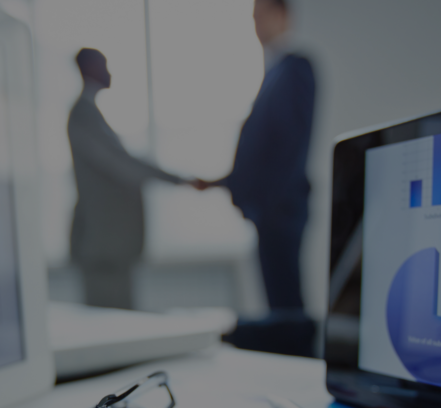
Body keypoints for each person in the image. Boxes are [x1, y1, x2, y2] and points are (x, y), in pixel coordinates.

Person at [194, 0, 317, 355]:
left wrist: (266, 204)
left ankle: (301, 377)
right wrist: (222, 182)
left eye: (259, 16)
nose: (255, 25)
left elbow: (288, 149)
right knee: (278, 307)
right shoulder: (273, 74)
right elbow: (259, 155)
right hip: (271, 212)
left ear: (282, 16)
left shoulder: (296, 68)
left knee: (286, 312)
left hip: (281, 212)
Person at [68, 48, 189, 309]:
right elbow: (120, 164)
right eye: (104, 65)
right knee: (107, 322)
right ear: (89, 68)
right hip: (102, 244)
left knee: (120, 317)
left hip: (113, 246)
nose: (109, 73)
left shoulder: (93, 116)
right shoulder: (83, 115)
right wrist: (178, 180)